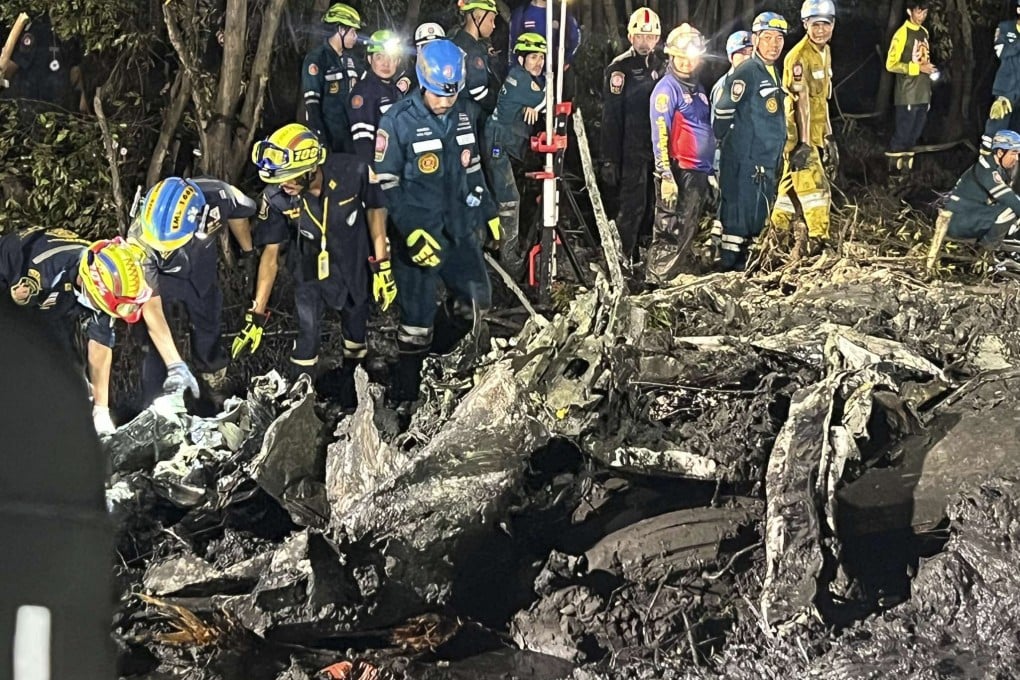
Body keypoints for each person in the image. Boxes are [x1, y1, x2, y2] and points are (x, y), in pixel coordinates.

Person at [374, 39, 500, 406]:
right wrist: (411, 232)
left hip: (459, 230)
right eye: (438, 94)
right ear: (421, 83)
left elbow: (472, 168)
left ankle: (440, 359)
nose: (445, 101)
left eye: (451, 93)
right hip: (417, 236)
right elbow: (387, 186)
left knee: (476, 302)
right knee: (416, 323)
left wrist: (488, 212)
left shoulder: (464, 114)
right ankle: (405, 394)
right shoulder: (396, 121)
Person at [236, 123, 392, 408]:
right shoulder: (276, 198)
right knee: (307, 334)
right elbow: (270, 256)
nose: (285, 184)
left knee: (356, 332)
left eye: (291, 177)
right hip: (309, 268)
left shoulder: (354, 172)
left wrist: (382, 265)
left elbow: (375, 209)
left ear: (311, 168)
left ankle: (351, 396)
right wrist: (256, 313)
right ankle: (301, 403)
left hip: (352, 263)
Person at [0, 229, 157, 435]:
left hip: (54, 304)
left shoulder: (105, 282)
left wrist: (101, 409)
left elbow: (100, 345)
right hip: (9, 276)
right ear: (91, 287)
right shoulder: (43, 276)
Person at [128, 176, 258, 403]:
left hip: (200, 268)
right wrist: (176, 364)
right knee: (155, 340)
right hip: (163, 279)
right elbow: (152, 310)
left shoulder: (217, 195)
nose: (163, 248)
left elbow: (241, 212)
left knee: (208, 313)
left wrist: (248, 254)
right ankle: (160, 397)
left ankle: (213, 373)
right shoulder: (139, 240)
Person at [713, 12, 788, 272]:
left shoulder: (773, 71)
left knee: (757, 216)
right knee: (738, 217)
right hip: (745, 160)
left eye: (779, 38)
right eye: (767, 37)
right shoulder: (748, 70)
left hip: (766, 160)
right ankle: (727, 268)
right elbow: (723, 110)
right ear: (755, 39)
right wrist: (730, 143)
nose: (774, 44)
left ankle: (748, 269)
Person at [648, 23, 714, 284]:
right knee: (670, 227)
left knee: (686, 225)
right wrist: (665, 175)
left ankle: (676, 273)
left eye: (692, 58)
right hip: (677, 170)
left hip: (696, 170)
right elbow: (659, 133)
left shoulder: (697, 89)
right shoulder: (667, 90)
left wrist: (710, 169)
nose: (687, 63)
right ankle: (658, 278)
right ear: (671, 56)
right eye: (681, 57)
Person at [771, 0, 838, 246]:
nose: (820, 30)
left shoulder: (825, 52)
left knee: (789, 190)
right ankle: (819, 240)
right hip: (799, 136)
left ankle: (775, 235)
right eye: (815, 24)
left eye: (825, 24)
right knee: (817, 190)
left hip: (815, 133)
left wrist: (829, 136)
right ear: (805, 25)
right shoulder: (798, 58)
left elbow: (822, 99)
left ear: (833, 24)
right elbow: (803, 104)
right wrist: (804, 144)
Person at [600, 8, 664, 263]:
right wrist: (609, 158)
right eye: (640, 36)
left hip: (658, 149)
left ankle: (648, 257)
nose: (645, 41)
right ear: (630, 36)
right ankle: (622, 257)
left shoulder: (664, 64)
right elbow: (611, 117)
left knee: (654, 206)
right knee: (632, 206)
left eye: (650, 37)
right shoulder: (620, 68)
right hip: (631, 149)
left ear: (657, 38)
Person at [483, 32, 548, 277]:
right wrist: (535, 104)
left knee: (510, 195)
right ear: (520, 60)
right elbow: (549, 98)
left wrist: (530, 107)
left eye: (541, 57)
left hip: (506, 144)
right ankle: (509, 262)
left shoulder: (526, 78)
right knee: (509, 198)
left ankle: (500, 247)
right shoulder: (520, 80)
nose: (539, 62)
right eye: (533, 57)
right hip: (498, 143)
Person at [934, 130, 1020, 250]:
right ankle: (985, 254)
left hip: (969, 216)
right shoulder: (986, 169)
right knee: (1009, 209)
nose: (1016, 158)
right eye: (1013, 153)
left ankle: (986, 250)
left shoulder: (998, 170)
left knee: (1010, 208)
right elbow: (1008, 198)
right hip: (958, 221)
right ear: (1000, 152)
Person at [302, 2, 363, 153]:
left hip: (352, 139)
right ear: (341, 30)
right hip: (331, 140)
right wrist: (320, 138)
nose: (355, 37)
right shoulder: (317, 59)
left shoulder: (352, 61)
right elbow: (312, 104)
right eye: (353, 32)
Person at [884, 0, 936, 176]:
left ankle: (907, 174)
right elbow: (891, 64)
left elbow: (924, 60)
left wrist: (928, 75)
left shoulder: (924, 32)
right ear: (909, 11)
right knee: (902, 135)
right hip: (907, 93)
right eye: (919, 12)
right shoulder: (901, 33)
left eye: (925, 13)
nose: (922, 16)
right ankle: (893, 174)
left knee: (914, 136)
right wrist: (916, 68)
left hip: (923, 93)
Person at [0, 13, 87, 113]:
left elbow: (76, 71)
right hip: (35, 107)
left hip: (62, 108)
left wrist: (83, 97)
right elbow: (11, 68)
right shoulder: (36, 29)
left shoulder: (72, 29)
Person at [348, 30, 406, 164]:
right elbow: (362, 139)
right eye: (380, 57)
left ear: (397, 61)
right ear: (370, 59)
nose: (386, 63)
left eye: (391, 58)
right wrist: (370, 172)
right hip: (378, 168)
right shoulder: (364, 91)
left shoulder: (395, 91)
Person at [450, 0, 501, 116]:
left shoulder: (456, 40)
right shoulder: (472, 50)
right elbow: (479, 91)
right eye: (491, 20)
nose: (493, 25)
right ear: (478, 19)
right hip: (472, 114)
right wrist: (500, 108)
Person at [982, 1, 1020, 151]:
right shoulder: (1005, 27)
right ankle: (987, 159)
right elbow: (1001, 52)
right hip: (1007, 88)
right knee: (997, 122)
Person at [508, 0, 581, 75]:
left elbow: (575, 37)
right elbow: (513, 44)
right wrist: (514, 70)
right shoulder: (522, 12)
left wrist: (567, 58)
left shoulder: (560, 12)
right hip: (526, 73)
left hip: (551, 71)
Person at [394, 22, 447, 95]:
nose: (431, 52)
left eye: (435, 47)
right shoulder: (413, 74)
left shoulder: (453, 71)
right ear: (418, 50)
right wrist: (405, 81)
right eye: (426, 47)